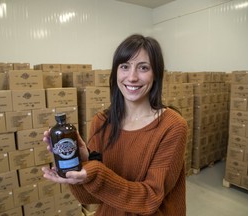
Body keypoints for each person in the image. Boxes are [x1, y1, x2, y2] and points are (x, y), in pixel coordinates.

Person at [42, 34, 188, 216]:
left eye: (143, 67)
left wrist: (94, 172)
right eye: (125, 66)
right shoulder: (102, 122)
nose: (132, 77)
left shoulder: (172, 126)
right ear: (116, 72)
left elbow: (150, 198)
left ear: (156, 74)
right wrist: (82, 164)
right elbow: (92, 198)